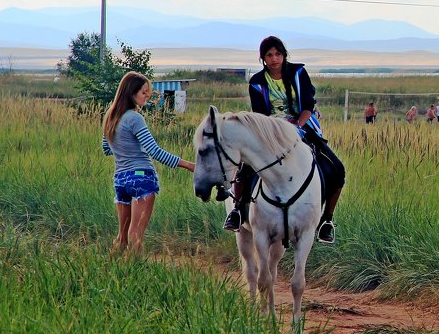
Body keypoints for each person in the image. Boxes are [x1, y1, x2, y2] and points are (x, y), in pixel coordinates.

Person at [222, 36, 344, 244]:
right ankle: (237, 210)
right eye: (269, 55)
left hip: (302, 127)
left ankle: (326, 220)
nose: (274, 59)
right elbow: (260, 114)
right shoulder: (257, 82)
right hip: (271, 131)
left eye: (278, 54)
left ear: (284, 55)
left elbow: (308, 104)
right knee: (246, 167)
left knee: (336, 169)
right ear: (263, 59)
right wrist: (276, 130)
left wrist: (296, 127)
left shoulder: (298, 73)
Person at [101, 71, 194, 254]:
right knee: (136, 234)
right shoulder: (135, 118)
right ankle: (132, 274)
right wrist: (190, 165)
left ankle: (109, 272)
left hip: (120, 180)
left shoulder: (110, 117)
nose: (147, 96)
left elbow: (106, 149)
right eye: (144, 92)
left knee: (122, 237)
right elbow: (154, 151)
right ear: (131, 92)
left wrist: (124, 149)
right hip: (142, 179)